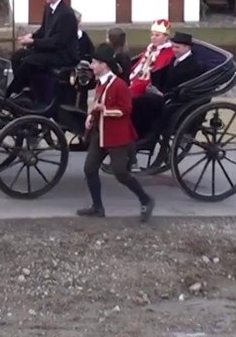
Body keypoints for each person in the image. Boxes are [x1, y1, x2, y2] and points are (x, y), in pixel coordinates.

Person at [78, 42, 156, 222]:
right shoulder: (101, 83)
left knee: (121, 173)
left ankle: (146, 200)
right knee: (90, 169)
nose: (92, 66)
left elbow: (126, 110)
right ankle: (97, 207)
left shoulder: (119, 85)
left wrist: (104, 109)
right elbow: (97, 103)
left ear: (104, 65)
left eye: (95, 63)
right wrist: (91, 115)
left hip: (117, 136)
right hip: (101, 133)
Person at [5, 0, 78, 106]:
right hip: (51, 49)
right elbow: (44, 30)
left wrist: (34, 43)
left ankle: (12, 91)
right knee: (17, 56)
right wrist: (31, 37)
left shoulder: (66, 14)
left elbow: (58, 42)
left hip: (62, 54)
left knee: (29, 61)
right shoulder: (49, 8)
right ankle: (26, 88)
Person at [132, 31, 203, 141]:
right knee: (138, 99)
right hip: (165, 94)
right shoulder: (175, 59)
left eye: (177, 47)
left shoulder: (194, 66)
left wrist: (163, 94)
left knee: (140, 102)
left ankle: (145, 136)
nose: (174, 50)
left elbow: (187, 87)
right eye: (173, 47)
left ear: (186, 47)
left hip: (176, 99)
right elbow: (163, 75)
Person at [128, 19, 174, 98]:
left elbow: (157, 71)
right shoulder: (150, 49)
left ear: (166, 37)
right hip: (137, 78)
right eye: (152, 35)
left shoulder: (169, 52)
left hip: (151, 84)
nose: (153, 38)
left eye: (157, 35)